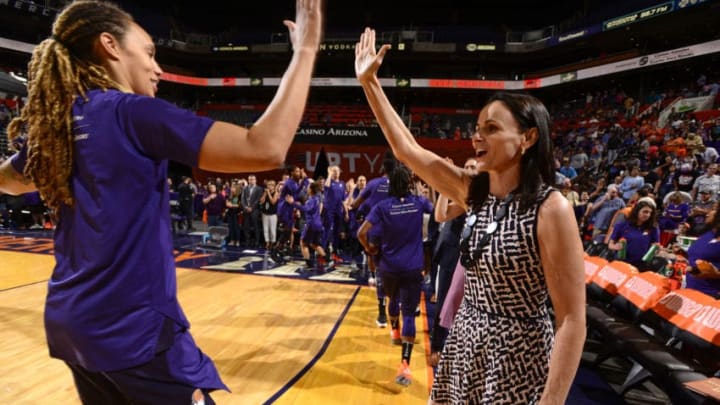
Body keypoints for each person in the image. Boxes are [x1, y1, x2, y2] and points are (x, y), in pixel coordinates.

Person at [0, 1, 322, 404]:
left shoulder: (56, 125)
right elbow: (266, 148)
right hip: (133, 331)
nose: (158, 68)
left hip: (72, 325)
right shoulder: (132, 113)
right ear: (110, 46)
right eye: (150, 53)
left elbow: (8, 182)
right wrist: (307, 51)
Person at [355, 27, 586, 404]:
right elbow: (406, 149)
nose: (476, 138)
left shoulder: (550, 207)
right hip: (464, 343)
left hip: (517, 356)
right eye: (477, 129)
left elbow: (572, 319)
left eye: (491, 129)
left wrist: (552, 401)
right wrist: (370, 84)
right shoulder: (473, 192)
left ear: (527, 138)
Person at [357, 165, 433, 386]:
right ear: (409, 184)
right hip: (413, 267)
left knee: (392, 300)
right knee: (409, 313)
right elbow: (437, 212)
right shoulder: (418, 203)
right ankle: (405, 365)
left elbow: (361, 232)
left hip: (389, 267)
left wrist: (369, 249)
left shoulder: (382, 207)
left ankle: (394, 332)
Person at [607, 197, 660, 271]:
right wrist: (616, 247)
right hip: (621, 263)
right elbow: (610, 245)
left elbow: (655, 247)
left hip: (639, 266)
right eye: (645, 212)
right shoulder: (621, 225)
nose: (648, 215)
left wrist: (656, 250)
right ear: (637, 211)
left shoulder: (653, 228)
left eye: (650, 213)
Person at [685, 202, 720, 297]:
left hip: (712, 297)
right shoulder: (708, 233)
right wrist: (682, 254)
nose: (707, 213)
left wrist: (716, 274)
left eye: (713, 209)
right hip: (691, 292)